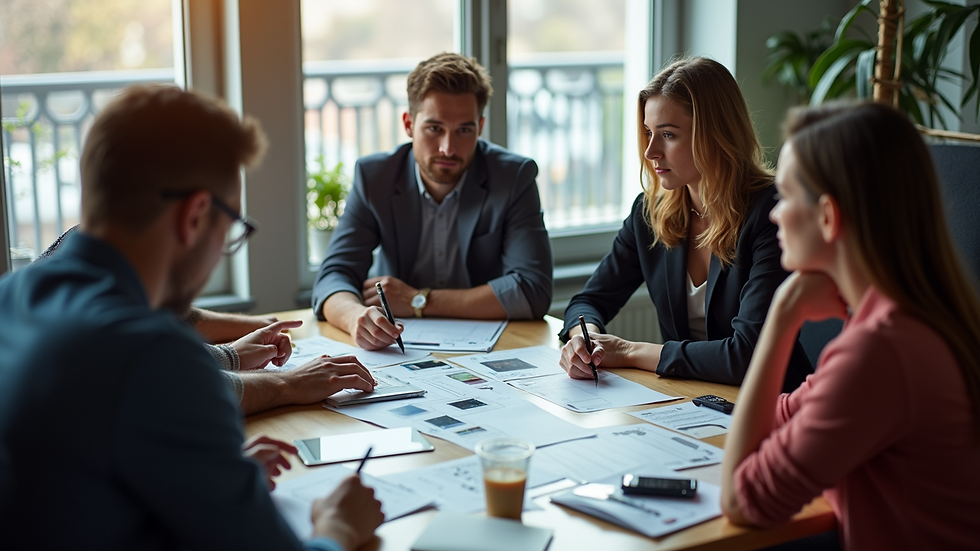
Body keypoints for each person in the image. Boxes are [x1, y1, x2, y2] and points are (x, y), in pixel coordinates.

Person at [0, 85, 383, 550]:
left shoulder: (12, 295)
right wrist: (338, 527)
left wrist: (207, 472)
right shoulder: (154, 354)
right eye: (230, 228)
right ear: (196, 215)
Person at [720, 102, 980, 549]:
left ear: (827, 217)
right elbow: (783, 415)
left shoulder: (880, 351)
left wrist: (782, 318)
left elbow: (741, 501)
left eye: (785, 197)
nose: (773, 214)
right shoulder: (903, 320)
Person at [559, 57, 812, 390]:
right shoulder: (650, 212)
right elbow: (588, 302)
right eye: (648, 133)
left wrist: (630, 351)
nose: (651, 151)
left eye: (668, 134)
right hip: (688, 398)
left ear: (715, 134)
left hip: (773, 401)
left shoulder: (773, 214)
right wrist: (585, 338)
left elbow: (749, 355)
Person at [313, 52, 553, 351]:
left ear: (480, 127)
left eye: (464, 130)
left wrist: (418, 300)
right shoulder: (376, 177)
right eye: (434, 128)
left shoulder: (514, 177)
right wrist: (355, 318)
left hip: (494, 349)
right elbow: (334, 276)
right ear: (409, 124)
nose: (448, 148)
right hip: (398, 348)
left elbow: (532, 290)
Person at [35, 225, 376, 416]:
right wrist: (290, 384)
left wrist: (231, 355)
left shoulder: (82, 254)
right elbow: (182, 389)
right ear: (193, 211)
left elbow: (162, 359)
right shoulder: (107, 309)